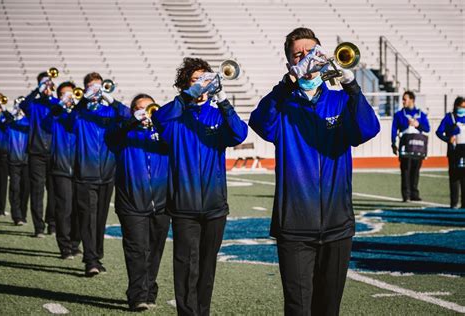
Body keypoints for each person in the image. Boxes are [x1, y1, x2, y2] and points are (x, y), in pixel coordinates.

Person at [249, 27, 380, 316]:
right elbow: (258, 122)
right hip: (294, 227)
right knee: (298, 308)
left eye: (312, 52)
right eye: (299, 55)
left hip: (337, 225)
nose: (307, 58)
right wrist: (288, 82)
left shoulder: (339, 100)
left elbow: (368, 129)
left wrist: (351, 86)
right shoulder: (282, 106)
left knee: (328, 308)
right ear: (290, 64)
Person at [153, 57, 248, 316]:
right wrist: (186, 98)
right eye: (195, 80)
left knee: (207, 266)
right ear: (185, 84)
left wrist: (224, 100)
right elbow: (158, 120)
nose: (201, 85)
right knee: (185, 265)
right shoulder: (174, 117)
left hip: (215, 206)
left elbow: (239, 134)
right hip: (183, 206)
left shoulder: (217, 113)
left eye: (205, 80)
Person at [108, 93, 170, 311]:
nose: (145, 112)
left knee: (155, 251)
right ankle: (137, 296)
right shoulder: (124, 134)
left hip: (162, 204)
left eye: (148, 108)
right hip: (131, 204)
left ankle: (149, 290)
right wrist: (133, 120)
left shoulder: (163, 134)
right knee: (137, 251)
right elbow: (111, 137)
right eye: (140, 108)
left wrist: (161, 122)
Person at [73, 72, 129, 277]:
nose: (96, 90)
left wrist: (110, 99)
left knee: (100, 218)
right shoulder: (79, 114)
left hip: (107, 173)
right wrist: (82, 101)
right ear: (86, 88)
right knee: (88, 218)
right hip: (85, 173)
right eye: (92, 87)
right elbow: (67, 121)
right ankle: (90, 260)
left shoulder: (110, 113)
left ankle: (96, 256)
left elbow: (128, 116)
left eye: (99, 86)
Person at [46, 81, 81, 259]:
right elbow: (45, 124)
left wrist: (76, 106)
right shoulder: (55, 116)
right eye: (64, 94)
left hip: (80, 169)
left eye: (70, 94)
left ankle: (75, 243)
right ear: (59, 96)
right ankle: (65, 246)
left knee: (78, 210)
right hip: (60, 169)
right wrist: (59, 106)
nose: (68, 97)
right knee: (64, 209)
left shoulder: (79, 114)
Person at [19, 72, 57, 237]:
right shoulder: (33, 104)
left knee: (54, 191)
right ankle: (38, 227)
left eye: (49, 83)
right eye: (44, 83)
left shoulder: (56, 103)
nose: (47, 86)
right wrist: (38, 89)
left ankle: (52, 224)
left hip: (55, 153)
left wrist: (51, 95)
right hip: (36, 153)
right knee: (37, 191)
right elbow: (23, 105)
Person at [391, 91, 430, 202]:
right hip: (405, 147)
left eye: (405, 99)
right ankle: (406, 195)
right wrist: (393, 143)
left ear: (412, 100)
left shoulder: (421, 114)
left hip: (418, 147)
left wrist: (419, 125)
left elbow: (427, 129)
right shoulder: (399, 115)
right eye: (403, 99)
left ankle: (414, 193)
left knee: (416, 171)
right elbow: (394, 130)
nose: (403, 101)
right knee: (405, 170)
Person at [436, 96, 465, 208]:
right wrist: (448, 139)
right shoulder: (449, 117)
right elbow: (439, 132)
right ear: (456, 106)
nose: (463, 109)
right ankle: (454, 203)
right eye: (461, 107)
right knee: (454, 177)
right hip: (454, 151)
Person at [7, 98, 30, 225]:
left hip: (27, 161)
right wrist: (13, 113)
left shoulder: (28, 122)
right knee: (15, 188)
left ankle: (23, 214)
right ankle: (17, 216)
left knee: (25, 189)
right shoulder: (10, 122)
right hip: (13, 160)